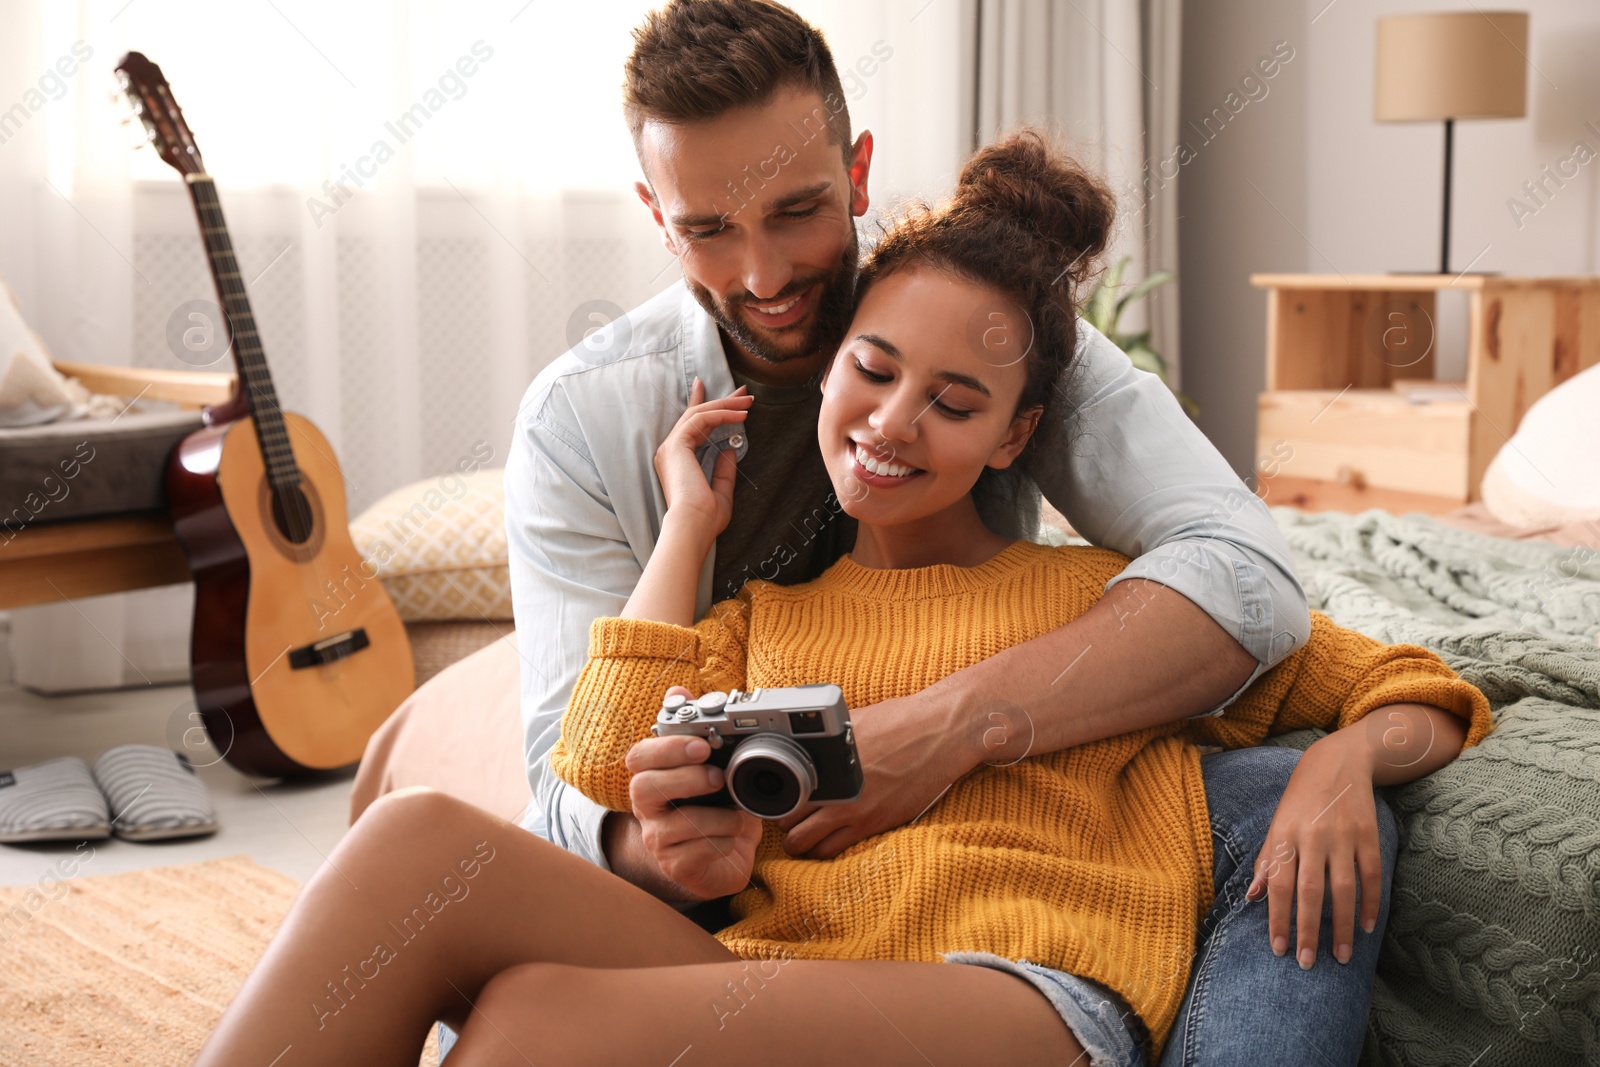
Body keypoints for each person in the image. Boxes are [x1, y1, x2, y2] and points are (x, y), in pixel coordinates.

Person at [191, 130, 1491, 1067]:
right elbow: (580, 785)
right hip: (778, 975)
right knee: (419, 842)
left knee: (545, 1026)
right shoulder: (763, 614)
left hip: (1021, 992)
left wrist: (1339, 772)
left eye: (956, 401)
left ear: (1018, 433)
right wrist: (687, 538)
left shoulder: (1114, 604)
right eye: (873, 371)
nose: (893, 425)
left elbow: (1416, 686)